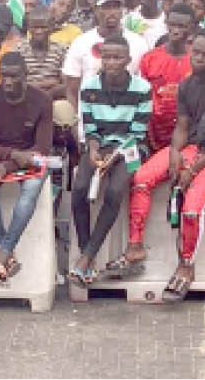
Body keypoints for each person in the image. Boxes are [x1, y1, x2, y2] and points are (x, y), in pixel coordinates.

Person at [122, 30, 205, 303]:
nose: (198, 58)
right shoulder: (187, 85)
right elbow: (182, 126)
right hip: (189, 149)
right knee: (140, 178)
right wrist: (175, 151)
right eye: (196, 52)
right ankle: (136, 244)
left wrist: (194, 168)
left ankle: (186, 264)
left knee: (191, 210)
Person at [70, 33, 151, 288]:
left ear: (128, 59)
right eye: (106, 56)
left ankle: (87, 257)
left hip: (130, 148)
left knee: (115, 191)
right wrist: (94, 150)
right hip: (100, 145)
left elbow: (137, 133)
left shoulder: (143, 89)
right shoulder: (89, 86)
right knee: (80, 188)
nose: (112, 62)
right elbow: (91, 128)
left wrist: (115, 156)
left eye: (117, 57)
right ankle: (87, 252)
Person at [0, 52, 53, 283]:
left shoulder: (42, 100)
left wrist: (9, 163)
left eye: (14, 76)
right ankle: (6, 251)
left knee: (30, 190)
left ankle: (3, 252)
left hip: (30, 158)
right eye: (3, 76)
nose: (7, 82)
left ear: (25, 75)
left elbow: (42, 148)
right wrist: (11, 158)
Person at [137, 4, 194, 152]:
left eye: (182, 26)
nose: (176, 31)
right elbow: (142, 97)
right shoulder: (149, 59)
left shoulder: (198, 58)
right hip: (154, 135)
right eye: (172, 25)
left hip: (190, 133)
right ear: (166, 24)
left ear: (192, 28)